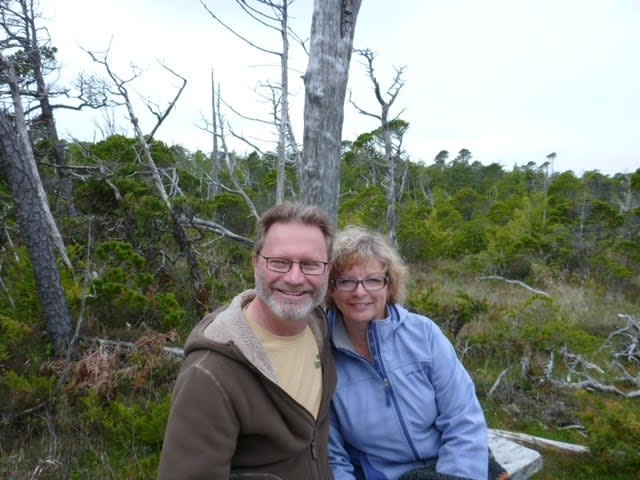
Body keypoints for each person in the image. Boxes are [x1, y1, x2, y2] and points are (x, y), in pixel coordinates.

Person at [158, 202, 337, 479]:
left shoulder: (321, 326)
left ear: (327, 269)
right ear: (255, 262)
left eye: (310, 264)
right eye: (279, 262)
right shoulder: (209, 375)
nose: (294, 277)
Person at [327, 226, 499, 480]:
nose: (360, 292)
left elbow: (463, 419)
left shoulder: (424, 334)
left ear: (389, 286)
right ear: (331, 288)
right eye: (346, 281)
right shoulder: (322, 353)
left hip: (449, 466)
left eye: (373, 280)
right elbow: (331, 455)